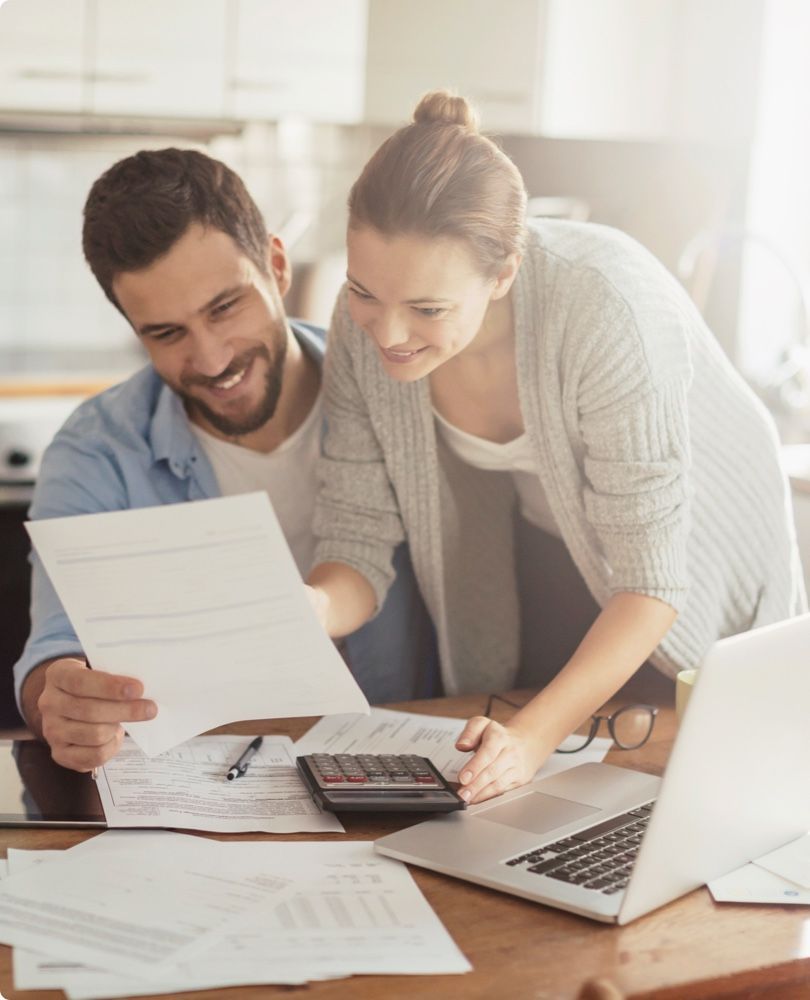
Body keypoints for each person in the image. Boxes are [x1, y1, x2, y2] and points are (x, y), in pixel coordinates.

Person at [306, 91, 806, 805]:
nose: (385, 334)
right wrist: (309, 608)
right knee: (540, 778)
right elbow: (355, 540)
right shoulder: (364, 328)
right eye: (364, 293)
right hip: (551, 530)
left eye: (428, 309)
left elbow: (650, 583)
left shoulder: (606, 307)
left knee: (682, 768)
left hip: (691, 550)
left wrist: (534, 739)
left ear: (504, 272)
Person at [14, 148, 436, 773]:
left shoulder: (396, 393)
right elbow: (53, 652)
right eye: (166, 333)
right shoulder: (96, 450)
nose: (211, 360)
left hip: (408, 771)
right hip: (204, 788)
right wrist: (63, 700)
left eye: (224, 308)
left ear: (277, 264)